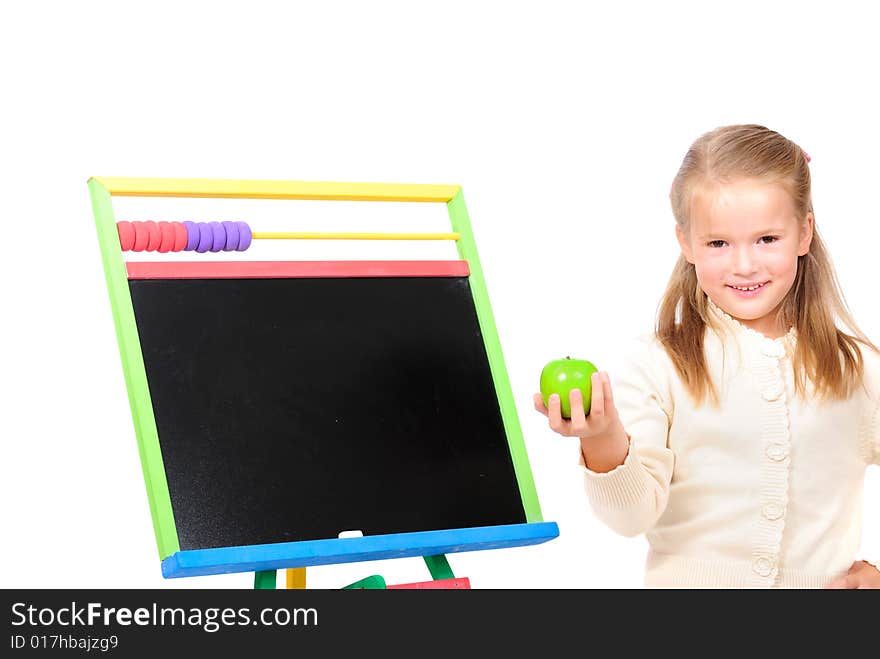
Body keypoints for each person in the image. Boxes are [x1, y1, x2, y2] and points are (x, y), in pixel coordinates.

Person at [534, 124, 880, 588]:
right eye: (719, 243)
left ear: (804, 233)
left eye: (767, 239)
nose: (744, 264)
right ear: (686, 243)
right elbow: (631, 517)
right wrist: (602, 439)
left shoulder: (855, 369)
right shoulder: (658, 365)